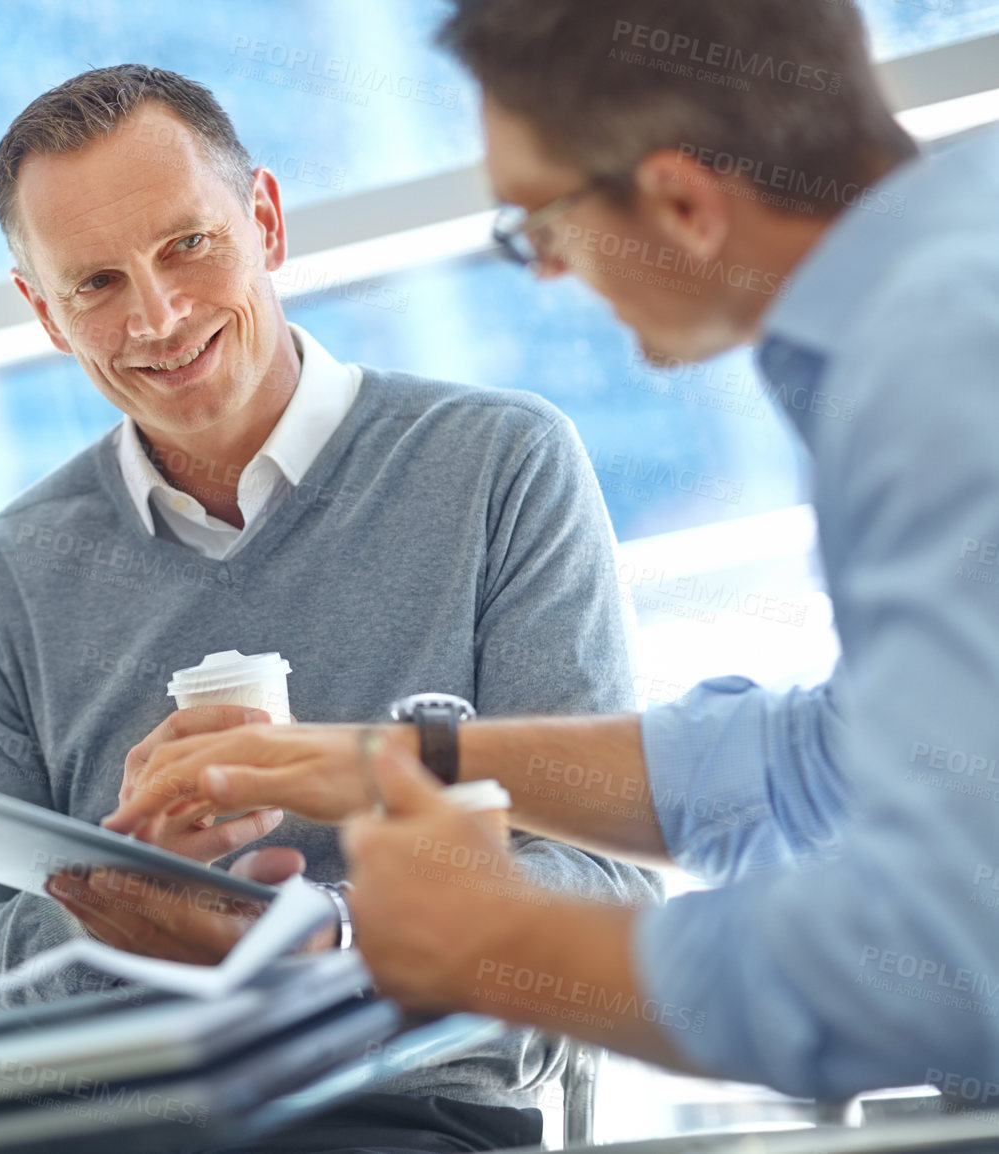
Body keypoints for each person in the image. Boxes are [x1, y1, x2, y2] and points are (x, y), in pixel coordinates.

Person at [106, 0, 999, 1100]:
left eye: (542, 221)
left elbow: (943, 963)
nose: (544, 271)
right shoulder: (939, 291)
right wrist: (399, 762)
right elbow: (831, 758)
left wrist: (502, 946)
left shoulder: (941, 378)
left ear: (678, 201)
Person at [0, 64, 660, 1152]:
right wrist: (101, 904)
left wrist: (334, 935)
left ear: (266, 222)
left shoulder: (495, 466)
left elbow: (608, 883)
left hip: (396, 1111)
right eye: (94, 283)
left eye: (186, 244)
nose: (157, 315)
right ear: (45, 315)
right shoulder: (11, 575)